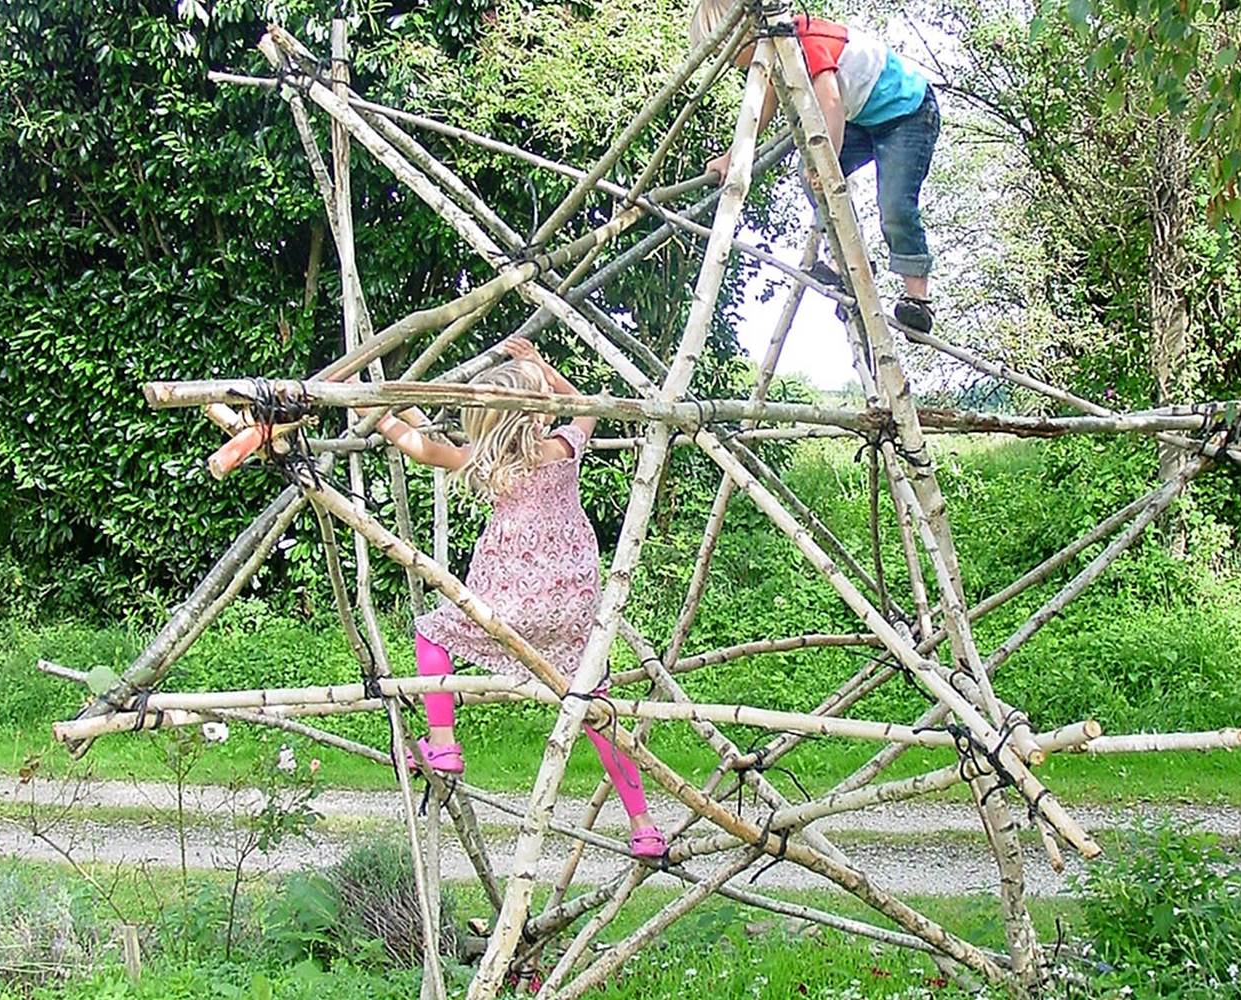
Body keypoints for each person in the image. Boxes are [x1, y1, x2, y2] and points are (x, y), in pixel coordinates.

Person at [370, 337, 666, 859]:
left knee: (430, 631)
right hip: (572, 605)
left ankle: (442, 743)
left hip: (508, 605)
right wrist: (538, 367)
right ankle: (643, 824)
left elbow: (414, 444)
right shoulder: (562, 450)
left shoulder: (480, 463)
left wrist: (380, 415)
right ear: (537, 414)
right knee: (597, 708)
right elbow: (582, 406)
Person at [691, 1, 940, 333]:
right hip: (864, 117)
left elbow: (830, 104)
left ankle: (917, 300)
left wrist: (828, 162)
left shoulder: (804, 41)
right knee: (809, 176)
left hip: (907, 111)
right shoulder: (776, 56)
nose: (728, 62)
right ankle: (851, 262)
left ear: (742, 36)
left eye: (726, 52)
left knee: (894, 205)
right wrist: (734, 156)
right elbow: (762, 107)